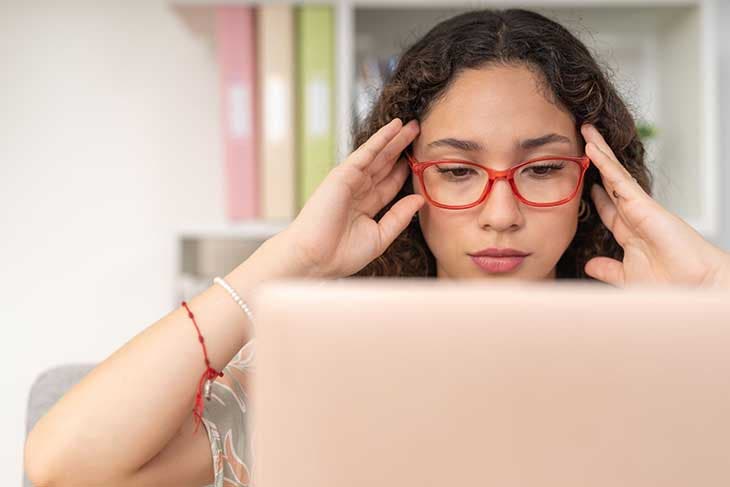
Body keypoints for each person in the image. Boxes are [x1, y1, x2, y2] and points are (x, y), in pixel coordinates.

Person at [24, 8, 730, 487]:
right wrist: (293, 256)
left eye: (542, 168)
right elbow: (63, 466)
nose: (501, 213)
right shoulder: (319, 367)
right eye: (457, 171)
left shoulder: (672, 367)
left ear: (591, 182)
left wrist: (709, 292)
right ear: (403, 182)